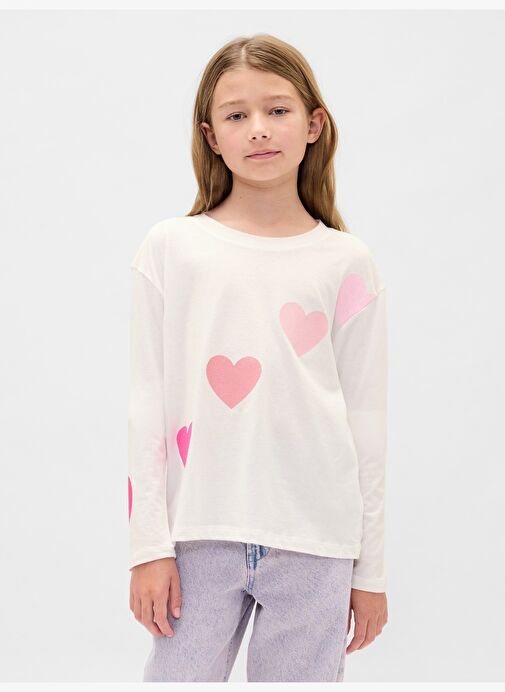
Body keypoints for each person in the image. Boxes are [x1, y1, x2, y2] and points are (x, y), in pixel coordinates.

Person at [127, 33, 389, 683]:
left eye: (277, 110)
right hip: (199, 533)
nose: (259, 129)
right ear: (211, 136)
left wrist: (370, 571)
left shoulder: (346, 261)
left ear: (313, 124)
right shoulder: (172, 248)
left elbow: (366, 421)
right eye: (237, 115)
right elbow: (146, 402)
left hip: (317, 538)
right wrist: (148, 547)